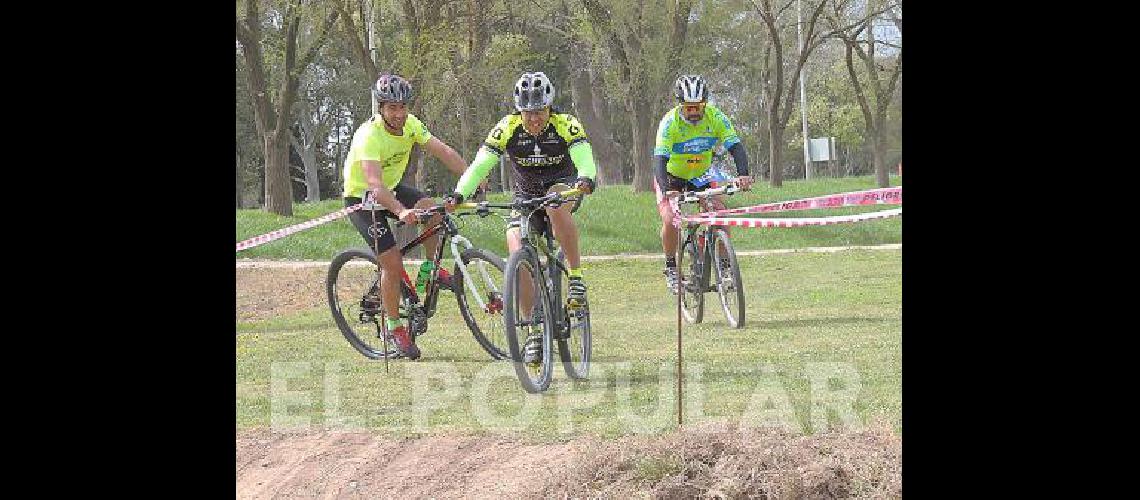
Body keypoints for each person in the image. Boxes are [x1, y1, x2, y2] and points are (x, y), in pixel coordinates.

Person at [446, 71, 597, 365]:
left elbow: (584, 157)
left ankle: (576, 278)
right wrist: (459, 195)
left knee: (555, 206)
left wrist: (586, 178)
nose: (534, 119)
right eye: (528, 114)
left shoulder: (566, 124)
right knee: (515, 243)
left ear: (549, 107)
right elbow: (480, 165)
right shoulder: (507, 128)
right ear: (519, 111)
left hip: (563, 187)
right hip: (526, 196)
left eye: (539, 112)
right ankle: (533, 330)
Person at [342, 73, 469, 360]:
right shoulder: (369, 135)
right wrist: (400, 211)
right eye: (392, 108)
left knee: (431, 208)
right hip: (364, 198)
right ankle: (394, 327)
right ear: (381, 108)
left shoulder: (411, 125)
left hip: (393, 187)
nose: (399, 114)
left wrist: (471, 176)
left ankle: (429, 272)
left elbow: (444, 151)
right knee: (392, 263)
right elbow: (375, 186)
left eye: (402, 107)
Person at [653, 74, 754, 292]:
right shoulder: (669, 122)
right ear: (681, 105)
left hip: (702, 175)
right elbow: (659, 160)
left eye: (698, 107)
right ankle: (671, 267)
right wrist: (667, 190)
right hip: (672, 176)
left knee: (720, 215)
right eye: (689, 108)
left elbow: (735, 146)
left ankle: (725, 267)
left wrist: (743, 174)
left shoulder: (716, 117)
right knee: (670, 220)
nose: (694, 112)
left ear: (705, 103)